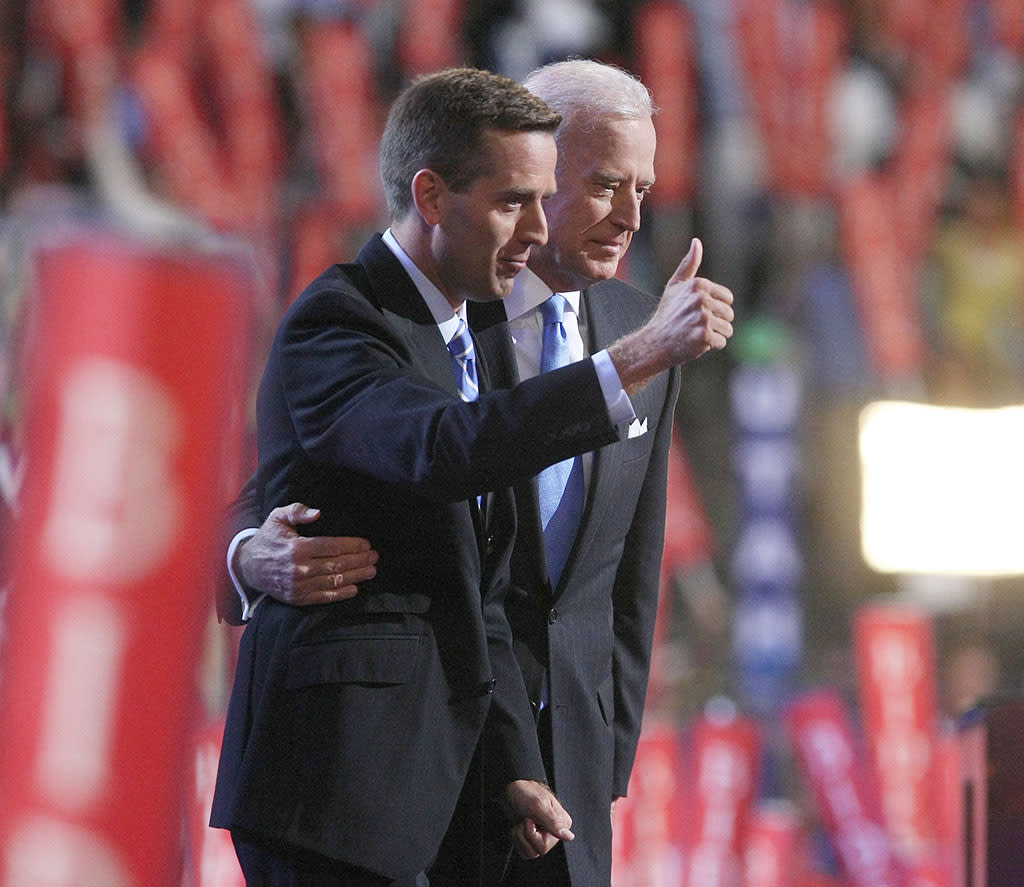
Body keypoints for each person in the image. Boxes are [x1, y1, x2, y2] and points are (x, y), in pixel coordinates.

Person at [218, 60, 735, 886]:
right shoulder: (390, 313)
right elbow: (402, 454)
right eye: (602, 184)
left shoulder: (634, 322)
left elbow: (626, 578)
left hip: (547, 782)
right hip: (375, 783)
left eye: (644, 187)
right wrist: (246, 551)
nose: (631, 216)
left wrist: (597, 765)